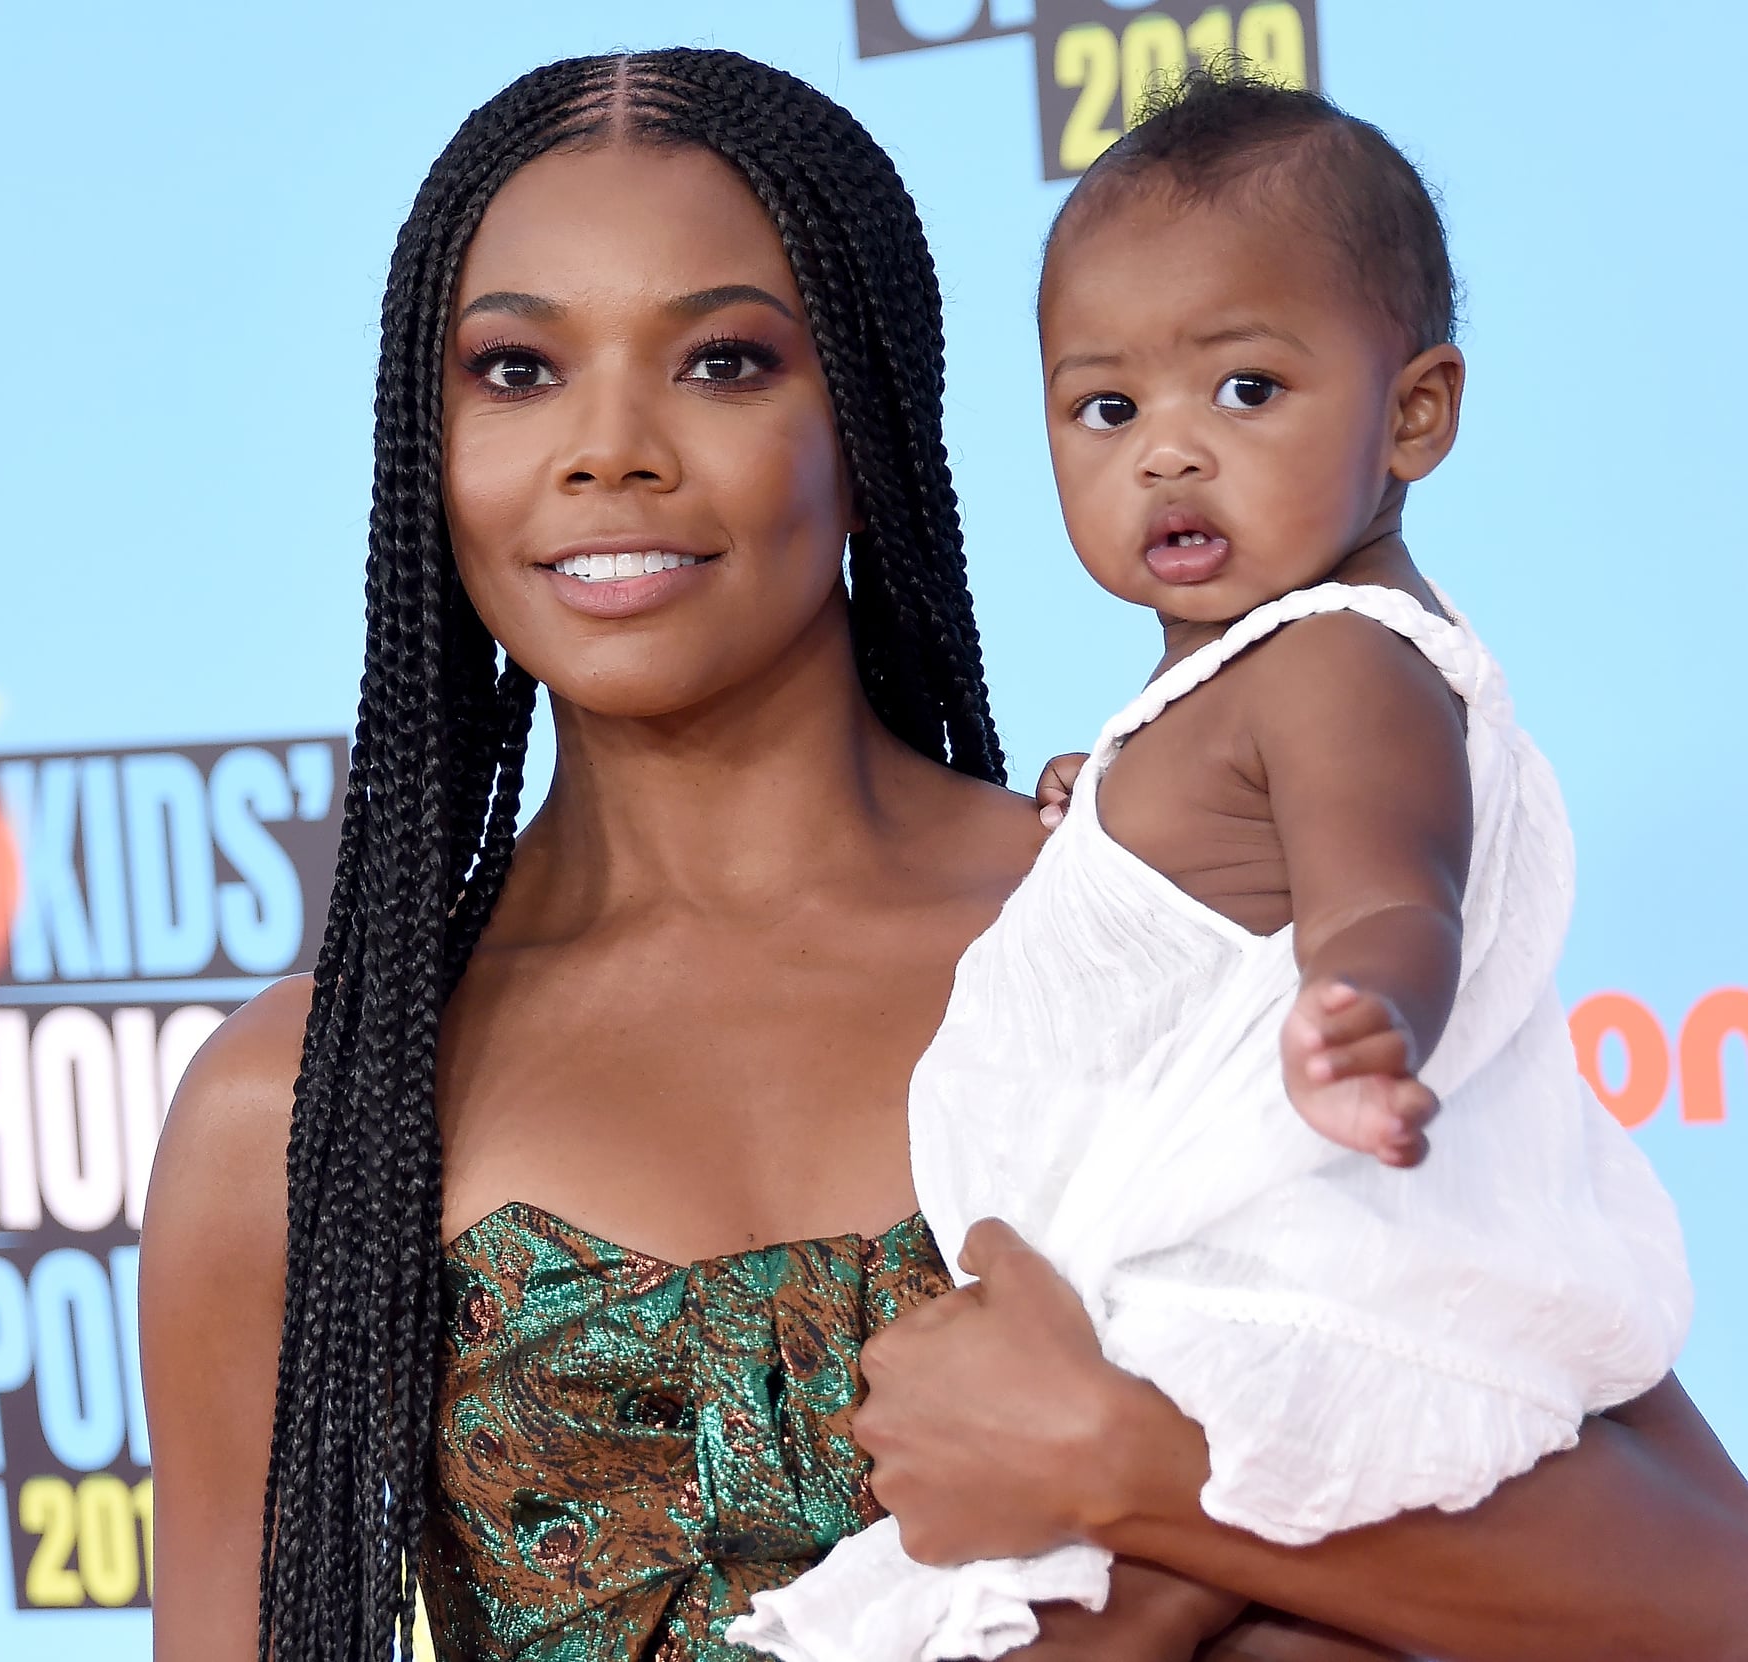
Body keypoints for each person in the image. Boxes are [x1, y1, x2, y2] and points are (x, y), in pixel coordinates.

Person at [138, 46, 1748, 1662]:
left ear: (874, 417)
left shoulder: (1159, 944)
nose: (609, 448)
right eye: (513, 371)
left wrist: (1139, 1473)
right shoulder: (300, 1107)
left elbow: (1707, 1591)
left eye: (722, 361)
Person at [735, 70, 1692, 1662]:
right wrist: (1101, 805)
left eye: (1246, 391)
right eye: (1107, 410)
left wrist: (1364, 1010)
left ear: (1415, 413)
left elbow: (1393, 883)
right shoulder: (1229, 692)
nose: (1169, 455)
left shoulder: (1342, 662)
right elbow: (1217, 865)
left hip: (1286, 1276)